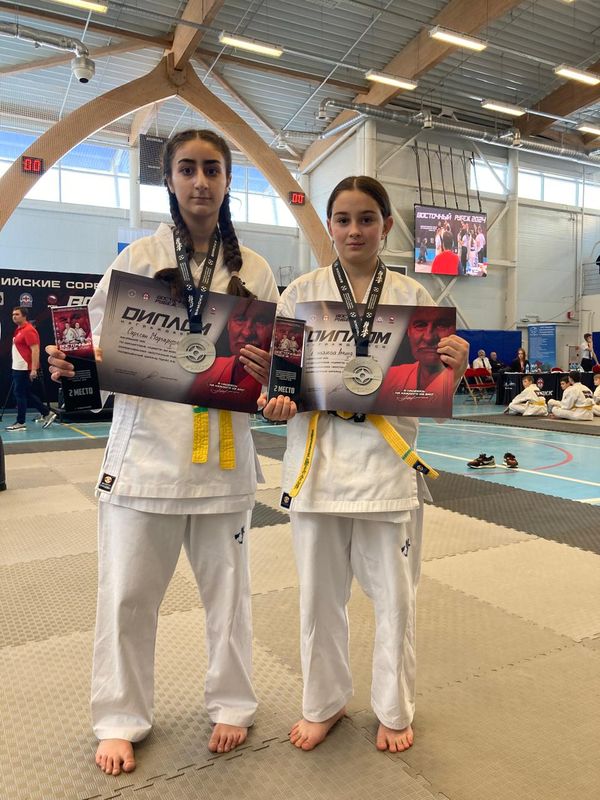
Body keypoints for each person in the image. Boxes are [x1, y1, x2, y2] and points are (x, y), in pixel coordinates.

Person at [47, 129, 279, 777]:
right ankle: (120, 716)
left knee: (229, 597)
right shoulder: (137, 259)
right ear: (169, 179)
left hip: (223, 459)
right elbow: (93, 350)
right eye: (187, 169)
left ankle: (232, 702)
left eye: (212, 169)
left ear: (228, 180)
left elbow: (276, 366)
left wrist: (270, 374)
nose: (200, 181)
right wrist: (72, 364)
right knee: (126, 596)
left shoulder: (256, 270)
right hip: (145, 456)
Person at [261, 176, 468, 754]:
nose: (355, 230)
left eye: (367, 219)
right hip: (317, 464)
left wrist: (454, 368)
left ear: (387, 225)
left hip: (387, 465)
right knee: (318, 598)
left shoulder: (414, 296)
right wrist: (275, 403)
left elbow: (430, 391)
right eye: (344, 219)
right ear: (329, 226)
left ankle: (394, 707)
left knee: (395, 600)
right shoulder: (300, 294)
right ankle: (323, 702)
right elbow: (279, 384)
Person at [187, 299, 275, 411]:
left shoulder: (275, 381)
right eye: (240, 319)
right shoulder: (210, 368)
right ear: (228, 324)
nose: (247, 333)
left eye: (261, 321)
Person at [377, 305, 456, 417]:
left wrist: (458, 371)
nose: (429, 338)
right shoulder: (389, 376)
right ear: (408, 331)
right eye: (420, 325)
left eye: (442, 325)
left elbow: (437, 416)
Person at [5, 306, 55, 431]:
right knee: (25, 393)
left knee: (20, 394)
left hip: (24, 368)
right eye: (13, 314)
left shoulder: (28, 330)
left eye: (17, 314)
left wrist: (33, 369)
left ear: (24, 316)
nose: (14, 316)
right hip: (17, 367)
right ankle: (46, 413)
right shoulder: (19, 329)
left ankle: (20, 422)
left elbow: (35, 350)